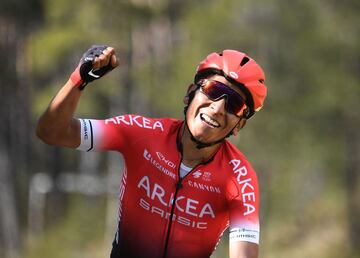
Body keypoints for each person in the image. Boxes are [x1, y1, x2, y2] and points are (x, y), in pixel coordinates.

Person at [36, 45, 267, 258]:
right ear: (189, 94)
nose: (217, 108)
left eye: (234, 104)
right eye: (212, 90)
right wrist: (79, 80)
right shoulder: (142, 134)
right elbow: (52, 132)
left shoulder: (240, 178)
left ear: (239, 124)